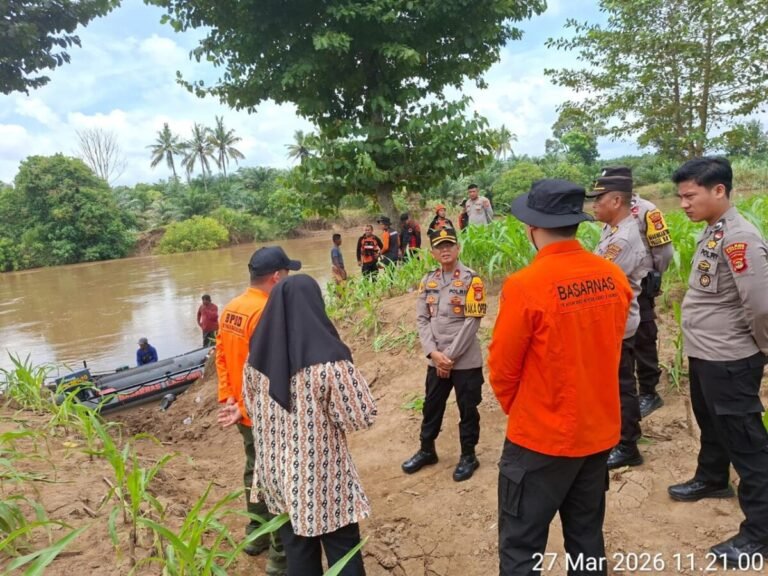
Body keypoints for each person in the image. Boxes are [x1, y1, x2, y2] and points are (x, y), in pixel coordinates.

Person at [488, 179, 633, 576]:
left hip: (541, 438)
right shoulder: (612, 277)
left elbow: (502, 368)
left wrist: (523, 411)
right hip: (598, 430)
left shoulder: (525, 286)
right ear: (575, 224)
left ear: (532, 228)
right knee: (586, 538)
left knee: (521, 545)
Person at [667, 156, 768, 564]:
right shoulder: (714, 231)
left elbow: (760, 305)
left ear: (719, 190)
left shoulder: (740, 237)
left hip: (729, 358)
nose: (684, 205)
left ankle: (760, 532)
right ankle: (712, 478)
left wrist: (764, 348)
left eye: (690, 196)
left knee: (747, 443)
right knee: (712, 424)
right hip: (707, 353)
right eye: (681, 197)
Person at [243, 274, 376, 576]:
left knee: (298, 555)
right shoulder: (329, 363)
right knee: (344, 553)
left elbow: (250, 407)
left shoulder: (254, 361)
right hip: (322, 479)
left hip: (276, 475)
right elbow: (360, 416)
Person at [215, 246, 301, 573]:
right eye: (287, 274)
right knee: (276, 480)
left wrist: (230, 398)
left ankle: (255, 533)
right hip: (265, 413)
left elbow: (221, 357)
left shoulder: (232, 309)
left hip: (241, 409)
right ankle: (280, 561)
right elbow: (275, 368)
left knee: (254, 471)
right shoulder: (268, 313)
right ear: (276, 277)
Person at [401, 226, 486, 482]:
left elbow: (472, 321)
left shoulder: (473, 280)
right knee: (431, 406)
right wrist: (433, 353)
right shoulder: (429, 280)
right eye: (439, 246)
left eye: (449, 245)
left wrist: (448, 357)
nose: (445, 249)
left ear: (458, 248)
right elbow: (422, 319)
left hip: (464, 360)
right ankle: (427, 450)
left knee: (467, 409)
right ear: (433, 252)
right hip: (437, 358)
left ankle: (469, 455)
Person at [586, 171, 651, 469]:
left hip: (617, 324)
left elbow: (598, 279)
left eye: (598, 200)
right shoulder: (612, 230)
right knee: (612, 383)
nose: (593, 206)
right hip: (608, 323)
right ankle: (616, 435)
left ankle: (628, 444)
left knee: (621, 385)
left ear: (616, 200)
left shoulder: (624, 238)